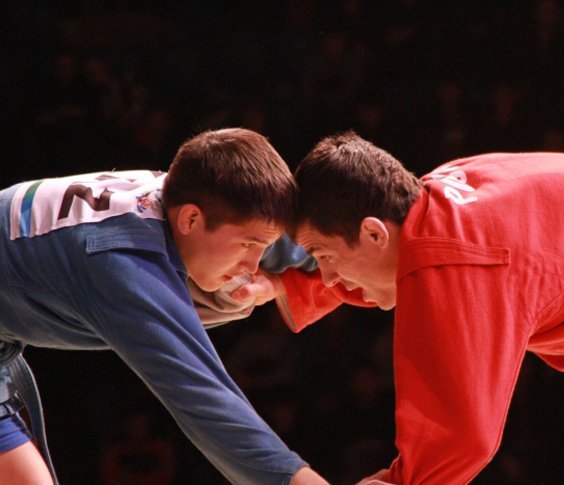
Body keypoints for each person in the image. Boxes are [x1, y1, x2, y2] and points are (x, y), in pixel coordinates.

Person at [276, 131, 564, 484]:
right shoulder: (431, 197)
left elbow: (465, 437)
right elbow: (382, 267)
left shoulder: (455, 262)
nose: (329, 277)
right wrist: (285, 288)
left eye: (325, 257)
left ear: (374, 233)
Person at [0, 128, 329, 484]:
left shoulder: (187, 196)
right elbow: (206, 403)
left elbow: (299, 242)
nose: (253, 265)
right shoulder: (125, 265)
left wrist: (383, 262)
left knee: (229, 292)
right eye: (248, 245)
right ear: (190, 219)